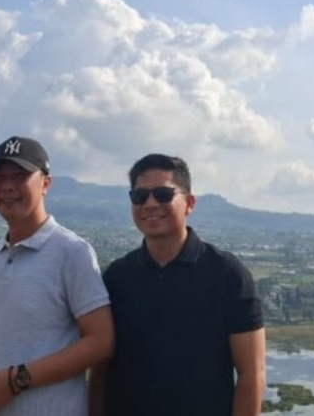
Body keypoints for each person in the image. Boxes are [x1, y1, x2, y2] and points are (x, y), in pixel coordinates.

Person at [88, 153, 266, 416]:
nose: (149, 204)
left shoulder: (227, 275)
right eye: (139, 196)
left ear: (189, 203)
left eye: (163, 194)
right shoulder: (117, 277)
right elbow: (100, 369)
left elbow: (252, 374)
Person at [0, 135, 114, 416]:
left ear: (46, 184)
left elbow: (101, 341)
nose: (7, 187)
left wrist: (16, 380)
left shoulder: (72, 252)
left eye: (20, 176)